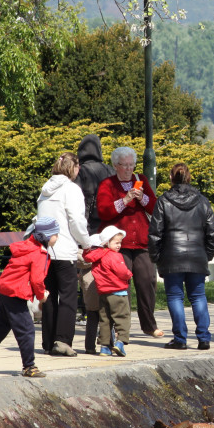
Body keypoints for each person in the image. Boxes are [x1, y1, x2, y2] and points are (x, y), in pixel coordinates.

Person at [0, 216, 60, 378]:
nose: (58, 237)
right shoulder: (39, 253)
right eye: (56, 234)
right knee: (27, 330)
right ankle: (29, 367)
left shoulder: (27, 246)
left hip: (5, 288)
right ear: (47, 236)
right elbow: (37, 279)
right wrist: (42, 296)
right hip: (15, 293)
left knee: (4, 324)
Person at [149, 163, 214, 350]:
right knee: (198, 296)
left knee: (175, 297)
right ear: (189, 177)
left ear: (171, 178)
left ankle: (180, 338)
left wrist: (156, 257)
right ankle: (204, 337)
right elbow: (213, 234)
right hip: (197, 255)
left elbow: (155, 233)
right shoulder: (202, 201)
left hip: (172, 256)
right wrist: (206, 255)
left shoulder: (163, 201)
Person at [96, 146, 164, 338]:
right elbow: (103, 211)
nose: (128, 169)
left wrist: (142, 197)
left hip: (141, 241)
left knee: (148, 281)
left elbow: (154, 207)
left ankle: (149, 325)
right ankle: (120, 328)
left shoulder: (140, 180)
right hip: (118, 245)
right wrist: (125, 200)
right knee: (120, 286)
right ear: (115, 166)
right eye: (124, 165)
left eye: (131, 164)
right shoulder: (107, 184)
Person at [37, 152, 90, 357]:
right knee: (67, 296)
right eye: (78, 168)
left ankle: (48, 341)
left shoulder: (45, 190)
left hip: (45, 250)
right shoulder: (71, 189)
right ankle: (63, 341)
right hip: (64, 248)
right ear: (73, 168)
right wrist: (85, 243)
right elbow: (76, 221)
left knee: (48, 295)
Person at [74, 134, 116, 354]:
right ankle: (108, 336)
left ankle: (85, 308)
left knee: (86, 276)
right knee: (107, 277)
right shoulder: (108, 170)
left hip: (87, 231)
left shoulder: (80, 172)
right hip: (106, 231)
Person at [83, 226, 132, 357]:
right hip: (118, 292)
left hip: (103, 293)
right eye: (116, 242)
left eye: (120, 242)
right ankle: (120, 342)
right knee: (123, 318)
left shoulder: (97, 257)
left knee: (105, 320)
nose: (119, 245)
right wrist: (129, 274)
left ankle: (105, 347)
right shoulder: (115, 256)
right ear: (107, 242)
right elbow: (122, 272)